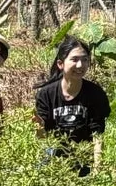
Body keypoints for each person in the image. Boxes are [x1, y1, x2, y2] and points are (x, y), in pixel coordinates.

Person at [34, 35, 110, 173]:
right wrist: (38, 125)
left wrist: (98, 167)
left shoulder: (95, 94)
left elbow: (98, 134)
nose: (80, 65)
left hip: (83, 157)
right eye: (74, 60)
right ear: (60, 64)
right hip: (54, 159)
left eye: (85, 60)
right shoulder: (46, 94)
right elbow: (43, 138)